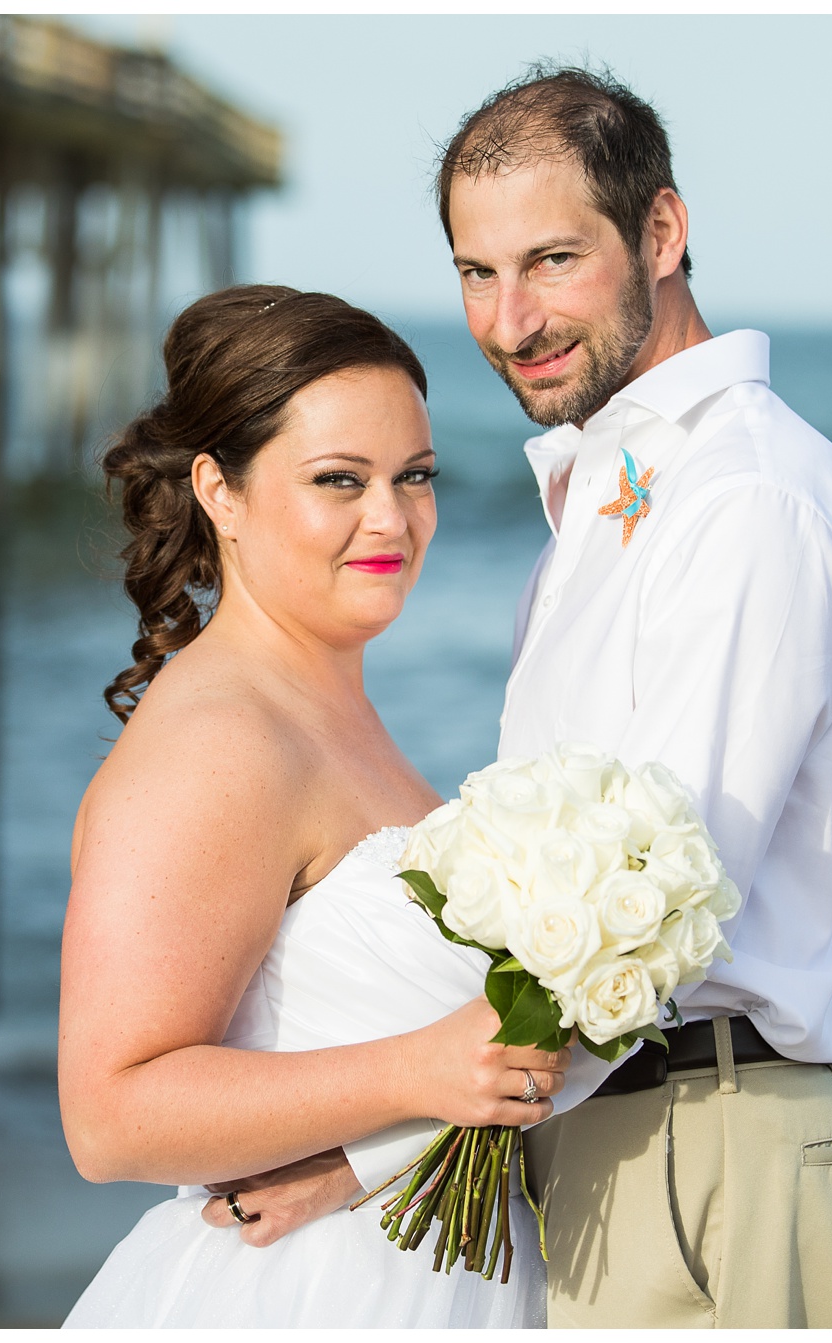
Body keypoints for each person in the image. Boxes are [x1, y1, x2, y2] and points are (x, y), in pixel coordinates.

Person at [236, 65, 832, 1328]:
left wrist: (371, 1149)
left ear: (660, 231)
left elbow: (650, 914)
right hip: (612, 1136)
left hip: (707, 1142)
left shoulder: (742, 500)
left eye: (548, 261)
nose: (508, 318)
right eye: (476, 273)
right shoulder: (615, 490)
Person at [57, 285, 567, 1329]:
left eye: (414, 477)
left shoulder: (330, 711)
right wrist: (418, 1069)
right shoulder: (219, 739)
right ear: (220, 491)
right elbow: (108, 1114)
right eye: (339, 480)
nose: (391, 518)